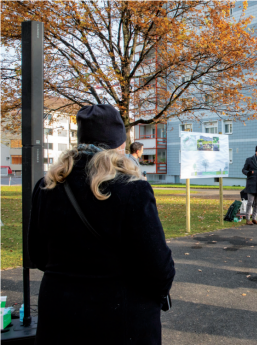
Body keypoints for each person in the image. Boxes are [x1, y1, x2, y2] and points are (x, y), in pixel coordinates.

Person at [28, 104, 176, 345]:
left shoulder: (47, 186)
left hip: (58, 312)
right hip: (119, 318)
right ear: (119, 146)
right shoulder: (132, 189)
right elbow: (159, 268)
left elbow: (38, 254)